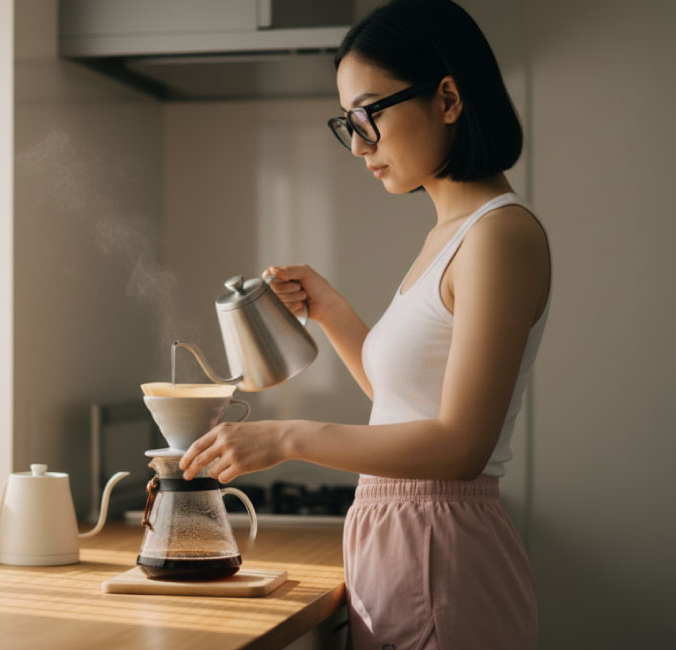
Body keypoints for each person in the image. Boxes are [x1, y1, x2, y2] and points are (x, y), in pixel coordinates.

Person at [178, 1, 549, 648]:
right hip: (405, 546)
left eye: (369, 115)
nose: (358, 144)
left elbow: (459, 448)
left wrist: (291, 436)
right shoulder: (451, 233)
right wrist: (330, 310)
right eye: (346, 123)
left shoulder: (500, 236)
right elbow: (409, 409)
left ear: (449, 98)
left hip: (443, 552)